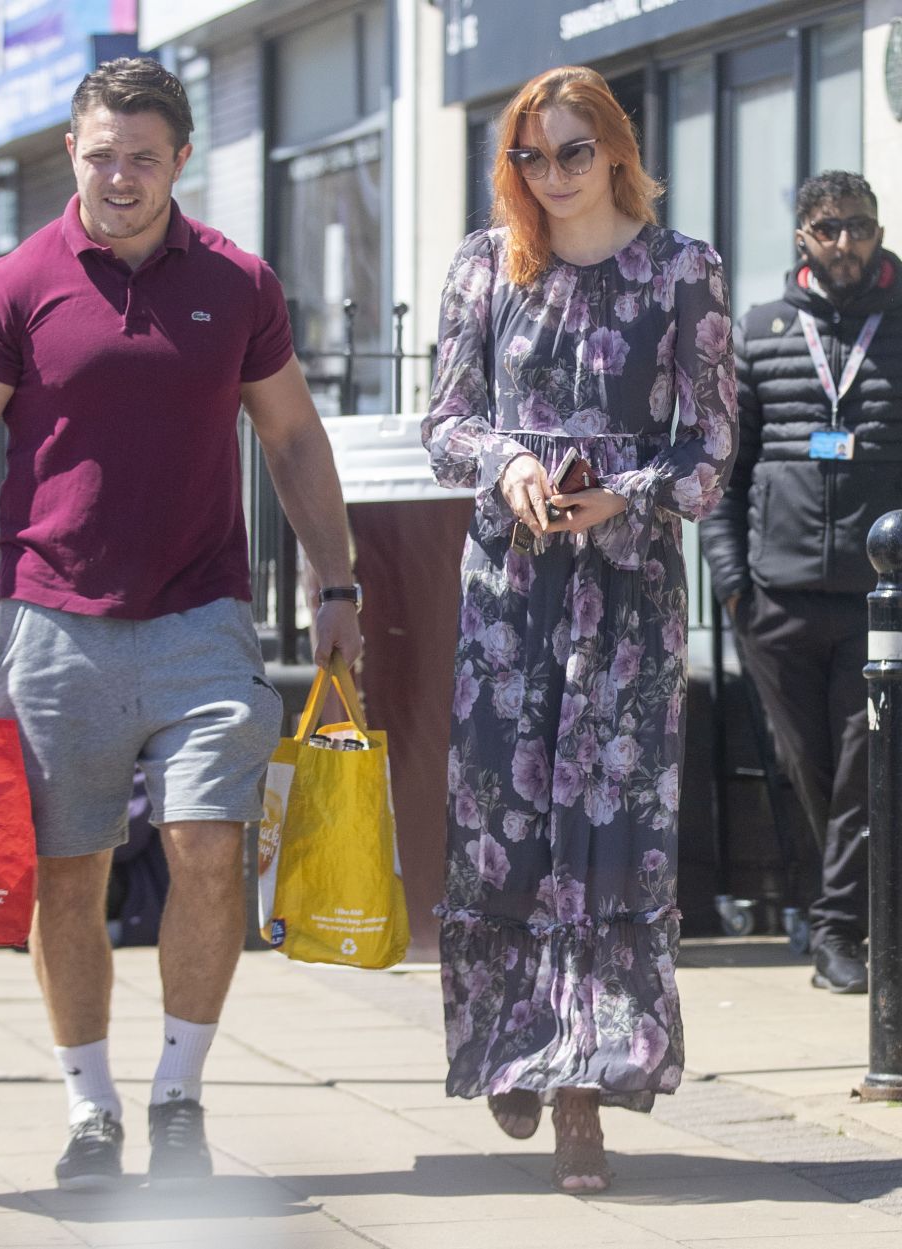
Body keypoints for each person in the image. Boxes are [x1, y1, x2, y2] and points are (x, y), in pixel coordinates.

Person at [0, 58, 362, 1190]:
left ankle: (180, 1096)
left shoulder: (237, 283)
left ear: (180, 160)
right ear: (73, 154)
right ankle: (90, 1107)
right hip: (55, 623)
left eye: (144, 157)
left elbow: (291, 438)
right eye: (103, 154)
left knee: (208, 848)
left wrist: (337, 587)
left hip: (203, 617)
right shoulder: (17, 282)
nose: (122, 176)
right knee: (66, 875)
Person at [422, 65, 736, 1193]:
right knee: (503, 820)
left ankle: (584, 1093)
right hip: (510, 589)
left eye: (570, 152)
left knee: (606, 839)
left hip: (630, 594)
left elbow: (711, 454)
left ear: (614, 150)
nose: (551, 177)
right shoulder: (484, 263)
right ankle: (513, 1039)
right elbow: (446, 422)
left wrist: (631, 492)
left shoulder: (681, 271)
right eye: (529, 157)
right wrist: (507, 462)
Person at [700, 170, 902, 995]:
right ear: (803, 239)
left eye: (860, 226)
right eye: (830, 229)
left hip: (876, 598)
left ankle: (838, 930)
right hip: (775, 596)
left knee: (861, 768)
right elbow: (725, 470)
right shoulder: (760, 329)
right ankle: (849, 913)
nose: (847, 243)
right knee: (808, 770)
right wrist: (732, 581)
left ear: (879, 228)